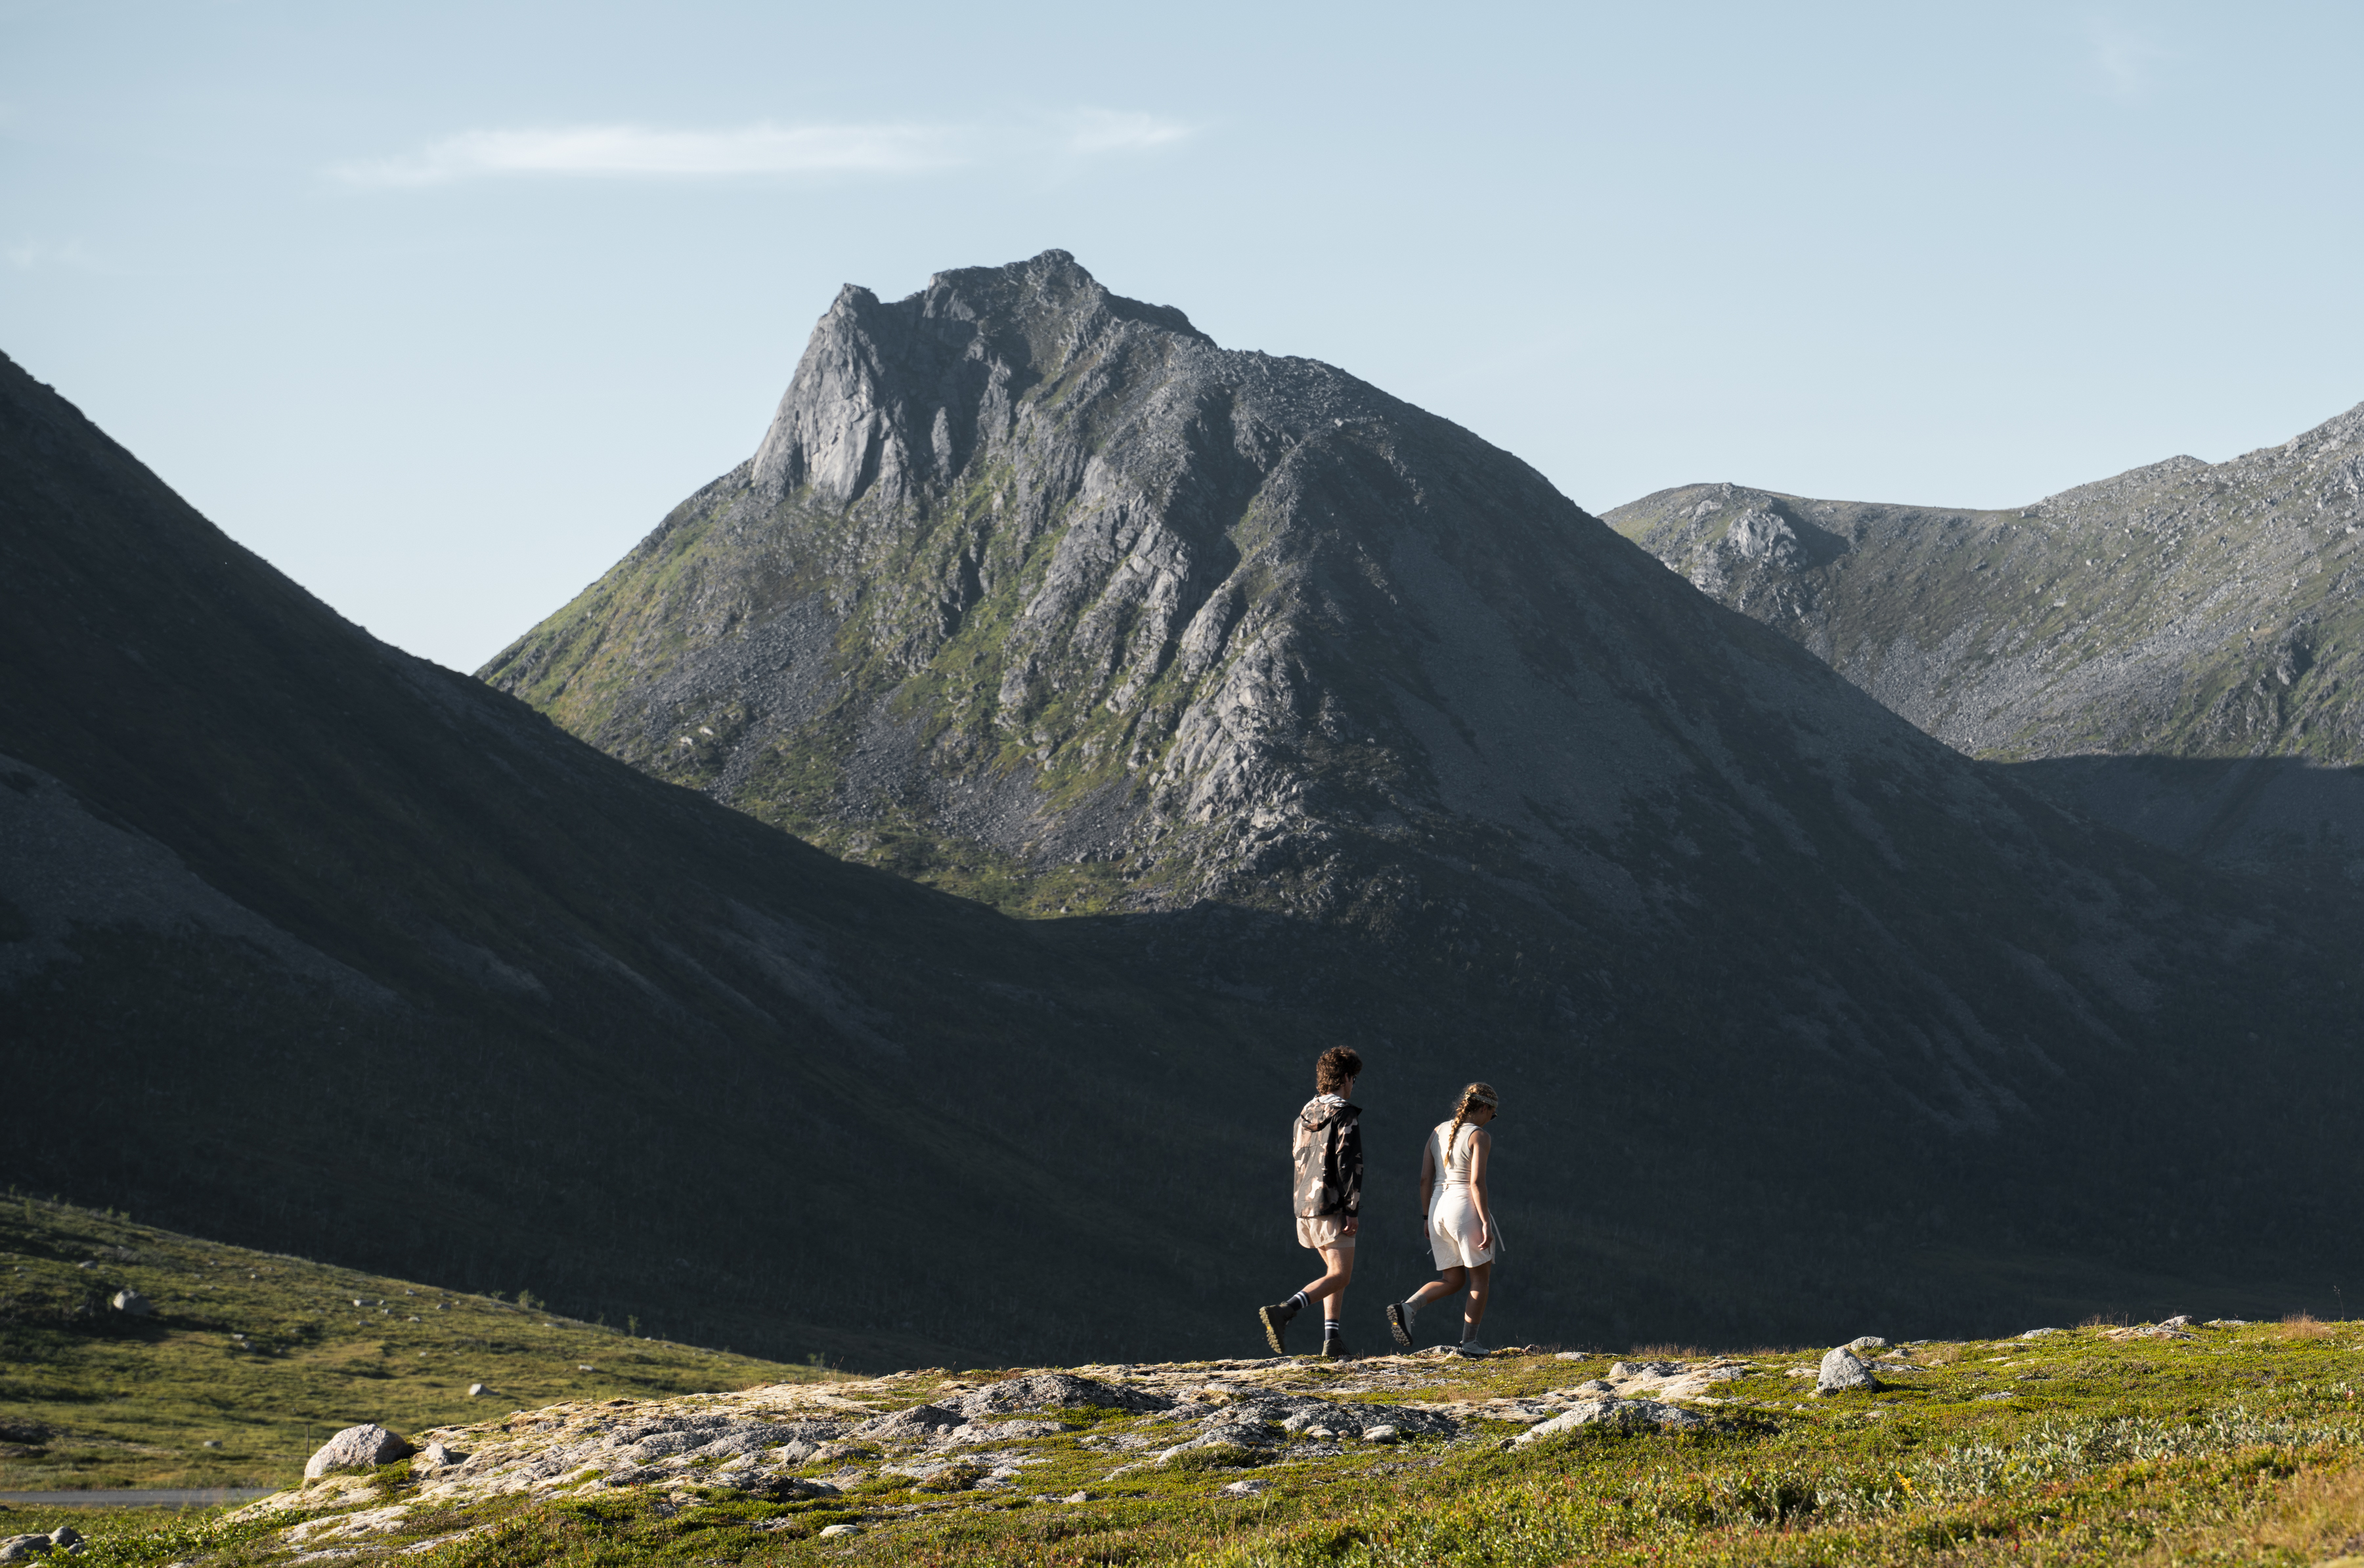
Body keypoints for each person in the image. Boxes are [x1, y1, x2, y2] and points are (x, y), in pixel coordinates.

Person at [1259, 1046, 1363, 1359]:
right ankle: (1284, 1311)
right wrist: (1352, 1210)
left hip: (1304, 1206)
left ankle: (1332, 1340)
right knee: (1341, 1275)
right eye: (1354, 1078)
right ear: (1345, 1077)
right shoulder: (1344, 1114)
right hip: (1333, 1205)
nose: (1354, 1084)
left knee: (1333, 1272)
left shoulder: (1303, 1116)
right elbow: (1350, 1165)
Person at [1385, 1081, 1501, 1356]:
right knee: (1480, 1279)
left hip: (1437, 1207)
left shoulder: (1437, 1131)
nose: (1490, 1121)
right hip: (1463, 1207)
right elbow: (1476, 1183)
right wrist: (1485, 1221)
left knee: (1452, 1279)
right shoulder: (1479, 1136)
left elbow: (1425, 1178)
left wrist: (1426, 1217)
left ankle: (1408, 1307)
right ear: (1484, 1107)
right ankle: (1470, 1343)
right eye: (1492, 1115)